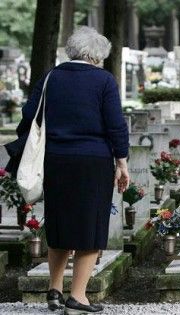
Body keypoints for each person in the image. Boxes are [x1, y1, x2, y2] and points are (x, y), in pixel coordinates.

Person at [16, 27, 129, 314]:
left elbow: (29, 115)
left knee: (59, 223)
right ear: (96, 55)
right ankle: (78, 297)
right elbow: (115, 124)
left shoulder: (51, 77)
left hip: (54, 160)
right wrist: (122, 163)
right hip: (92, 162)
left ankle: (54, 290)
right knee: (89, 229)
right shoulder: (103, 80)